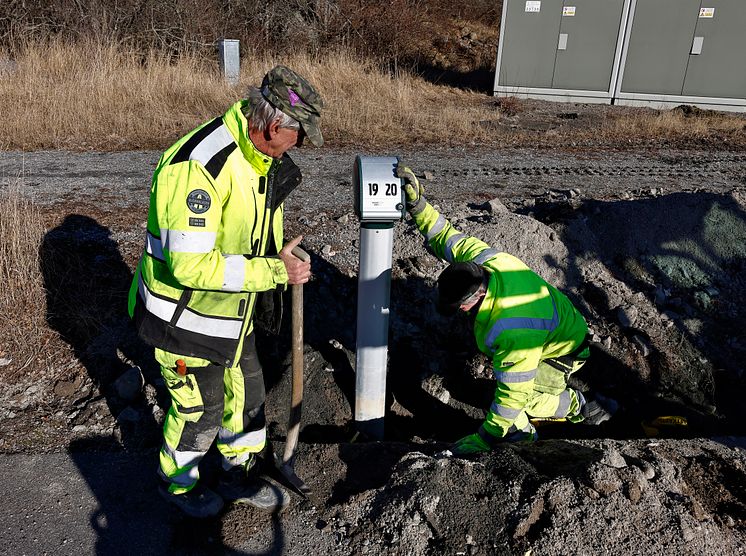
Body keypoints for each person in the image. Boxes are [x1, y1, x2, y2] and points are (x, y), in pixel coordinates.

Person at [128, 66, 323, 517]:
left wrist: (280, 255)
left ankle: (238, 470)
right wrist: (274, 272)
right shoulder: (200, 166)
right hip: (183, 318)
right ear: (275, 126)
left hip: (232, 310)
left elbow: (247, 229)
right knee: (201, 409)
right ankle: (176, 484)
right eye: (301, 136)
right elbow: (191, 265)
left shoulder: (259, 158)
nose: (303, 147)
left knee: (249, 391)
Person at [396, 164, 617, 455]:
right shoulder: (484, 262)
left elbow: (512, 396)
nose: (461, 311)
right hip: (549, 324)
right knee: (507, 390)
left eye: (461, 307)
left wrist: (486, 437)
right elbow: (444, 235)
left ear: (473, 298)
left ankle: (577, 409)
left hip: (562, 350)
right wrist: (418, 205)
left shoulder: (512, 328)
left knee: (520, 402)